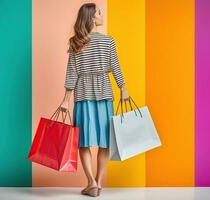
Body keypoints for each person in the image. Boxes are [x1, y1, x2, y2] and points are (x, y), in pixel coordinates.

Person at [59, 2, 130, 197]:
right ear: (91, 18)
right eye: (99, 12)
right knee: (104, 140)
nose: (102, 14)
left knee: (84, 141)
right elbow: (115, 66)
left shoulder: (76, 42)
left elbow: (71, 73)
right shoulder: (108, 41)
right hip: (104, 93)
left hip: (82, 95)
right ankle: (97, 183)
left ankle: (92, 182)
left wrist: (66, 99)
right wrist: (123, 88)